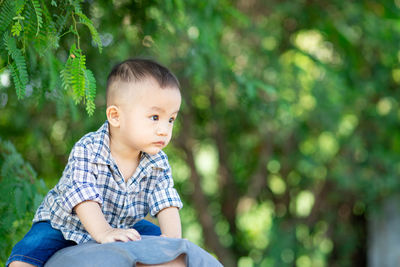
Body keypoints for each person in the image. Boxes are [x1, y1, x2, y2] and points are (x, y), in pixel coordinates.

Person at [7, 58, 186, 267]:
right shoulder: (89, 149)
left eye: (171, 119)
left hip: (122, 224)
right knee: (27, 254)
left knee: (162, 242)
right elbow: (83, 196)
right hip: (65, 224)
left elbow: (166, 202)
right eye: (155, 117)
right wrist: (104, 232)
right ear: (115, 116)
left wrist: (172, 243)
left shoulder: (158, 162)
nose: (164, 130)